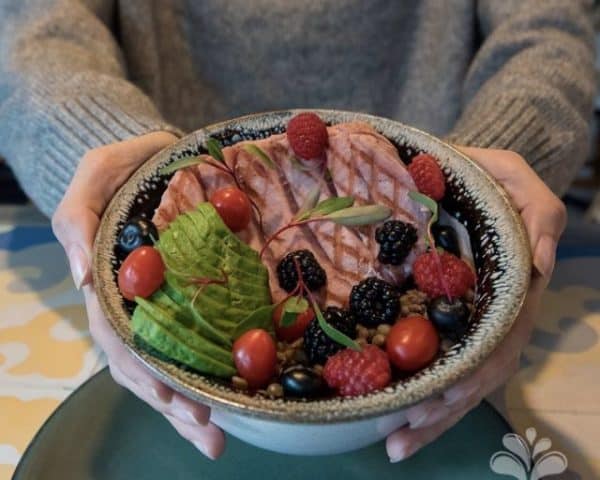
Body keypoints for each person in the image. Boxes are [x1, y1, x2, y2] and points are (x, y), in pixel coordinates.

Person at [0, 0, 594, 463]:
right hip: (182, 178)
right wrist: (105, 157)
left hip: (423, 195)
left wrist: (483, 172)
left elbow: (547, 33)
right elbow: (38, 34)